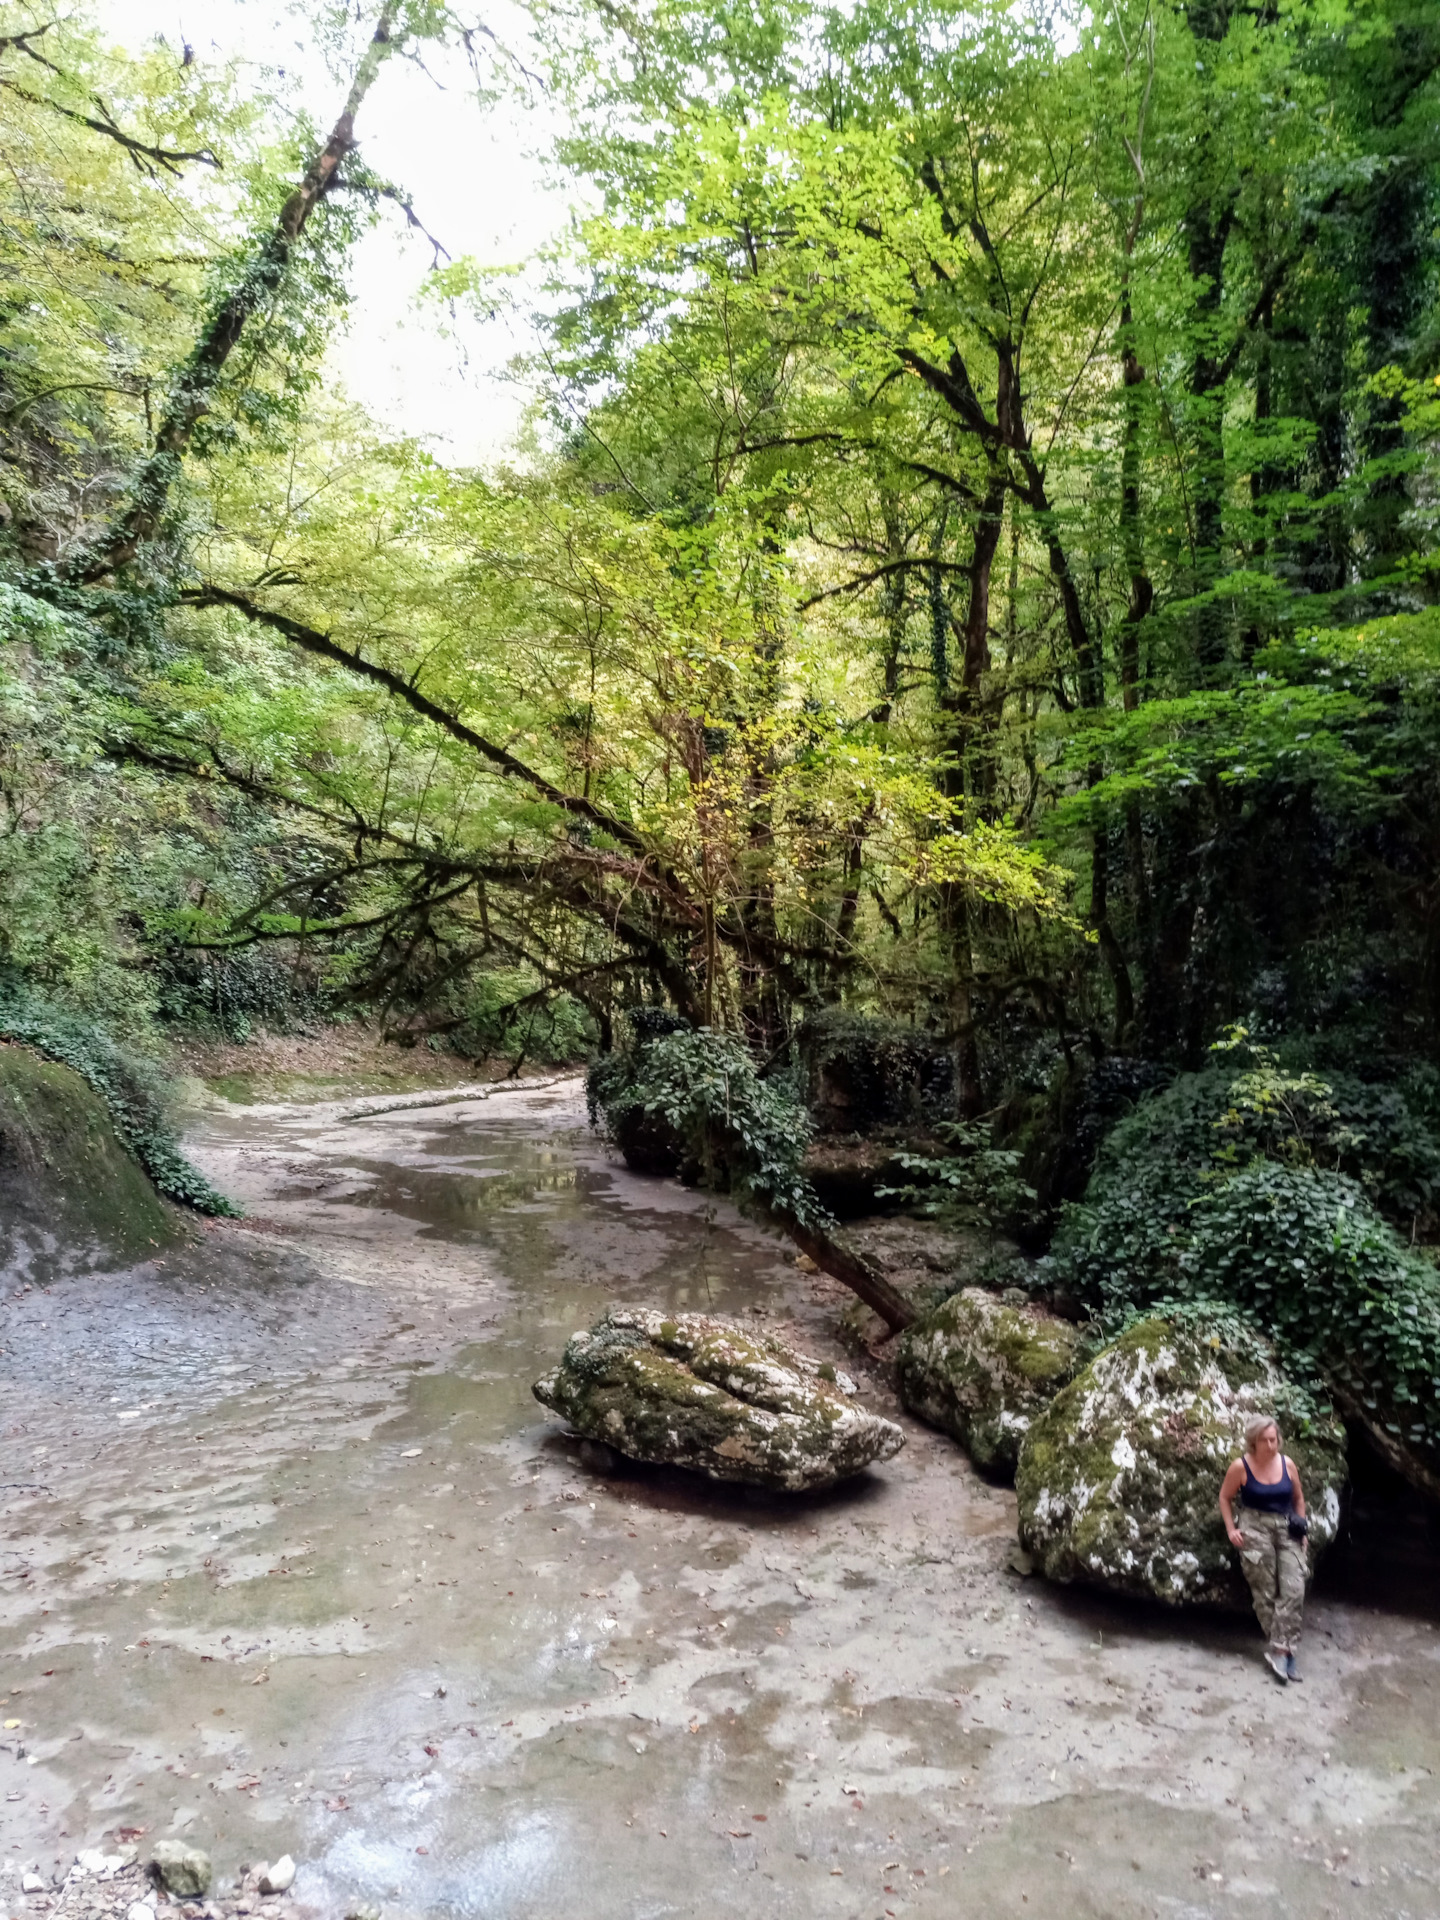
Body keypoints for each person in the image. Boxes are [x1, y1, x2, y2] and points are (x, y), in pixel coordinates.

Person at [1219, 1414, 1310, 1683]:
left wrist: (1302, 1527)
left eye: (1274, 1439)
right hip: (1254, 1526)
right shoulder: (1240, 1467)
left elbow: (1299, 1498)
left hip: (1286, 1527)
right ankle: (1284, 1650)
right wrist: (1231, 1529)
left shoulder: (1287, 1464)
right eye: (1265, 1441)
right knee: (1265, 1590)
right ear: (1253, 1442)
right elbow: (1225, 1497)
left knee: (1294, 1588)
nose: (1271, 1445)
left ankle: (1281, 1649)